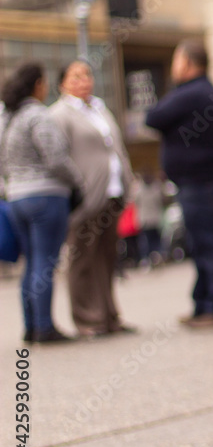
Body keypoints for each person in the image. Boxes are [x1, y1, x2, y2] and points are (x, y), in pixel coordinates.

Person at [145, 39, 213, 327]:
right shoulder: (202, 91)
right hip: (201, 184)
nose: (173, 67)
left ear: (187, 64)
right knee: (203, 245)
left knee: (209, 245)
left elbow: (154, 117)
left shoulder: (193, 92)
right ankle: (204, 304)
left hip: (202, 185)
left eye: (176, 61)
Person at [49, 60, 137, 337]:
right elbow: (58, 157)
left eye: (86, 74)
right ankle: (88, 319)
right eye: (75, 76)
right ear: (62, 83)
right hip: (85, 198)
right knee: (82, 259)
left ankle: (109, 315)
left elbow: (117, 148)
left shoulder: (100, 108)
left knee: (107, 256)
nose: (83, 80)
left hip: (112, 193)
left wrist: (128, 183)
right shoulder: (60, 114)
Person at [0, 62, 84, 343]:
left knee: (31, 263)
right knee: (45, 262)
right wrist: (77, 181)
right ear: (37, 84)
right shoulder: (38, 114)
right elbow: (56, 159)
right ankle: (45, 327)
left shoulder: (6, 117)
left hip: (16, 198)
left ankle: (31, 327)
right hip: (46, 196)